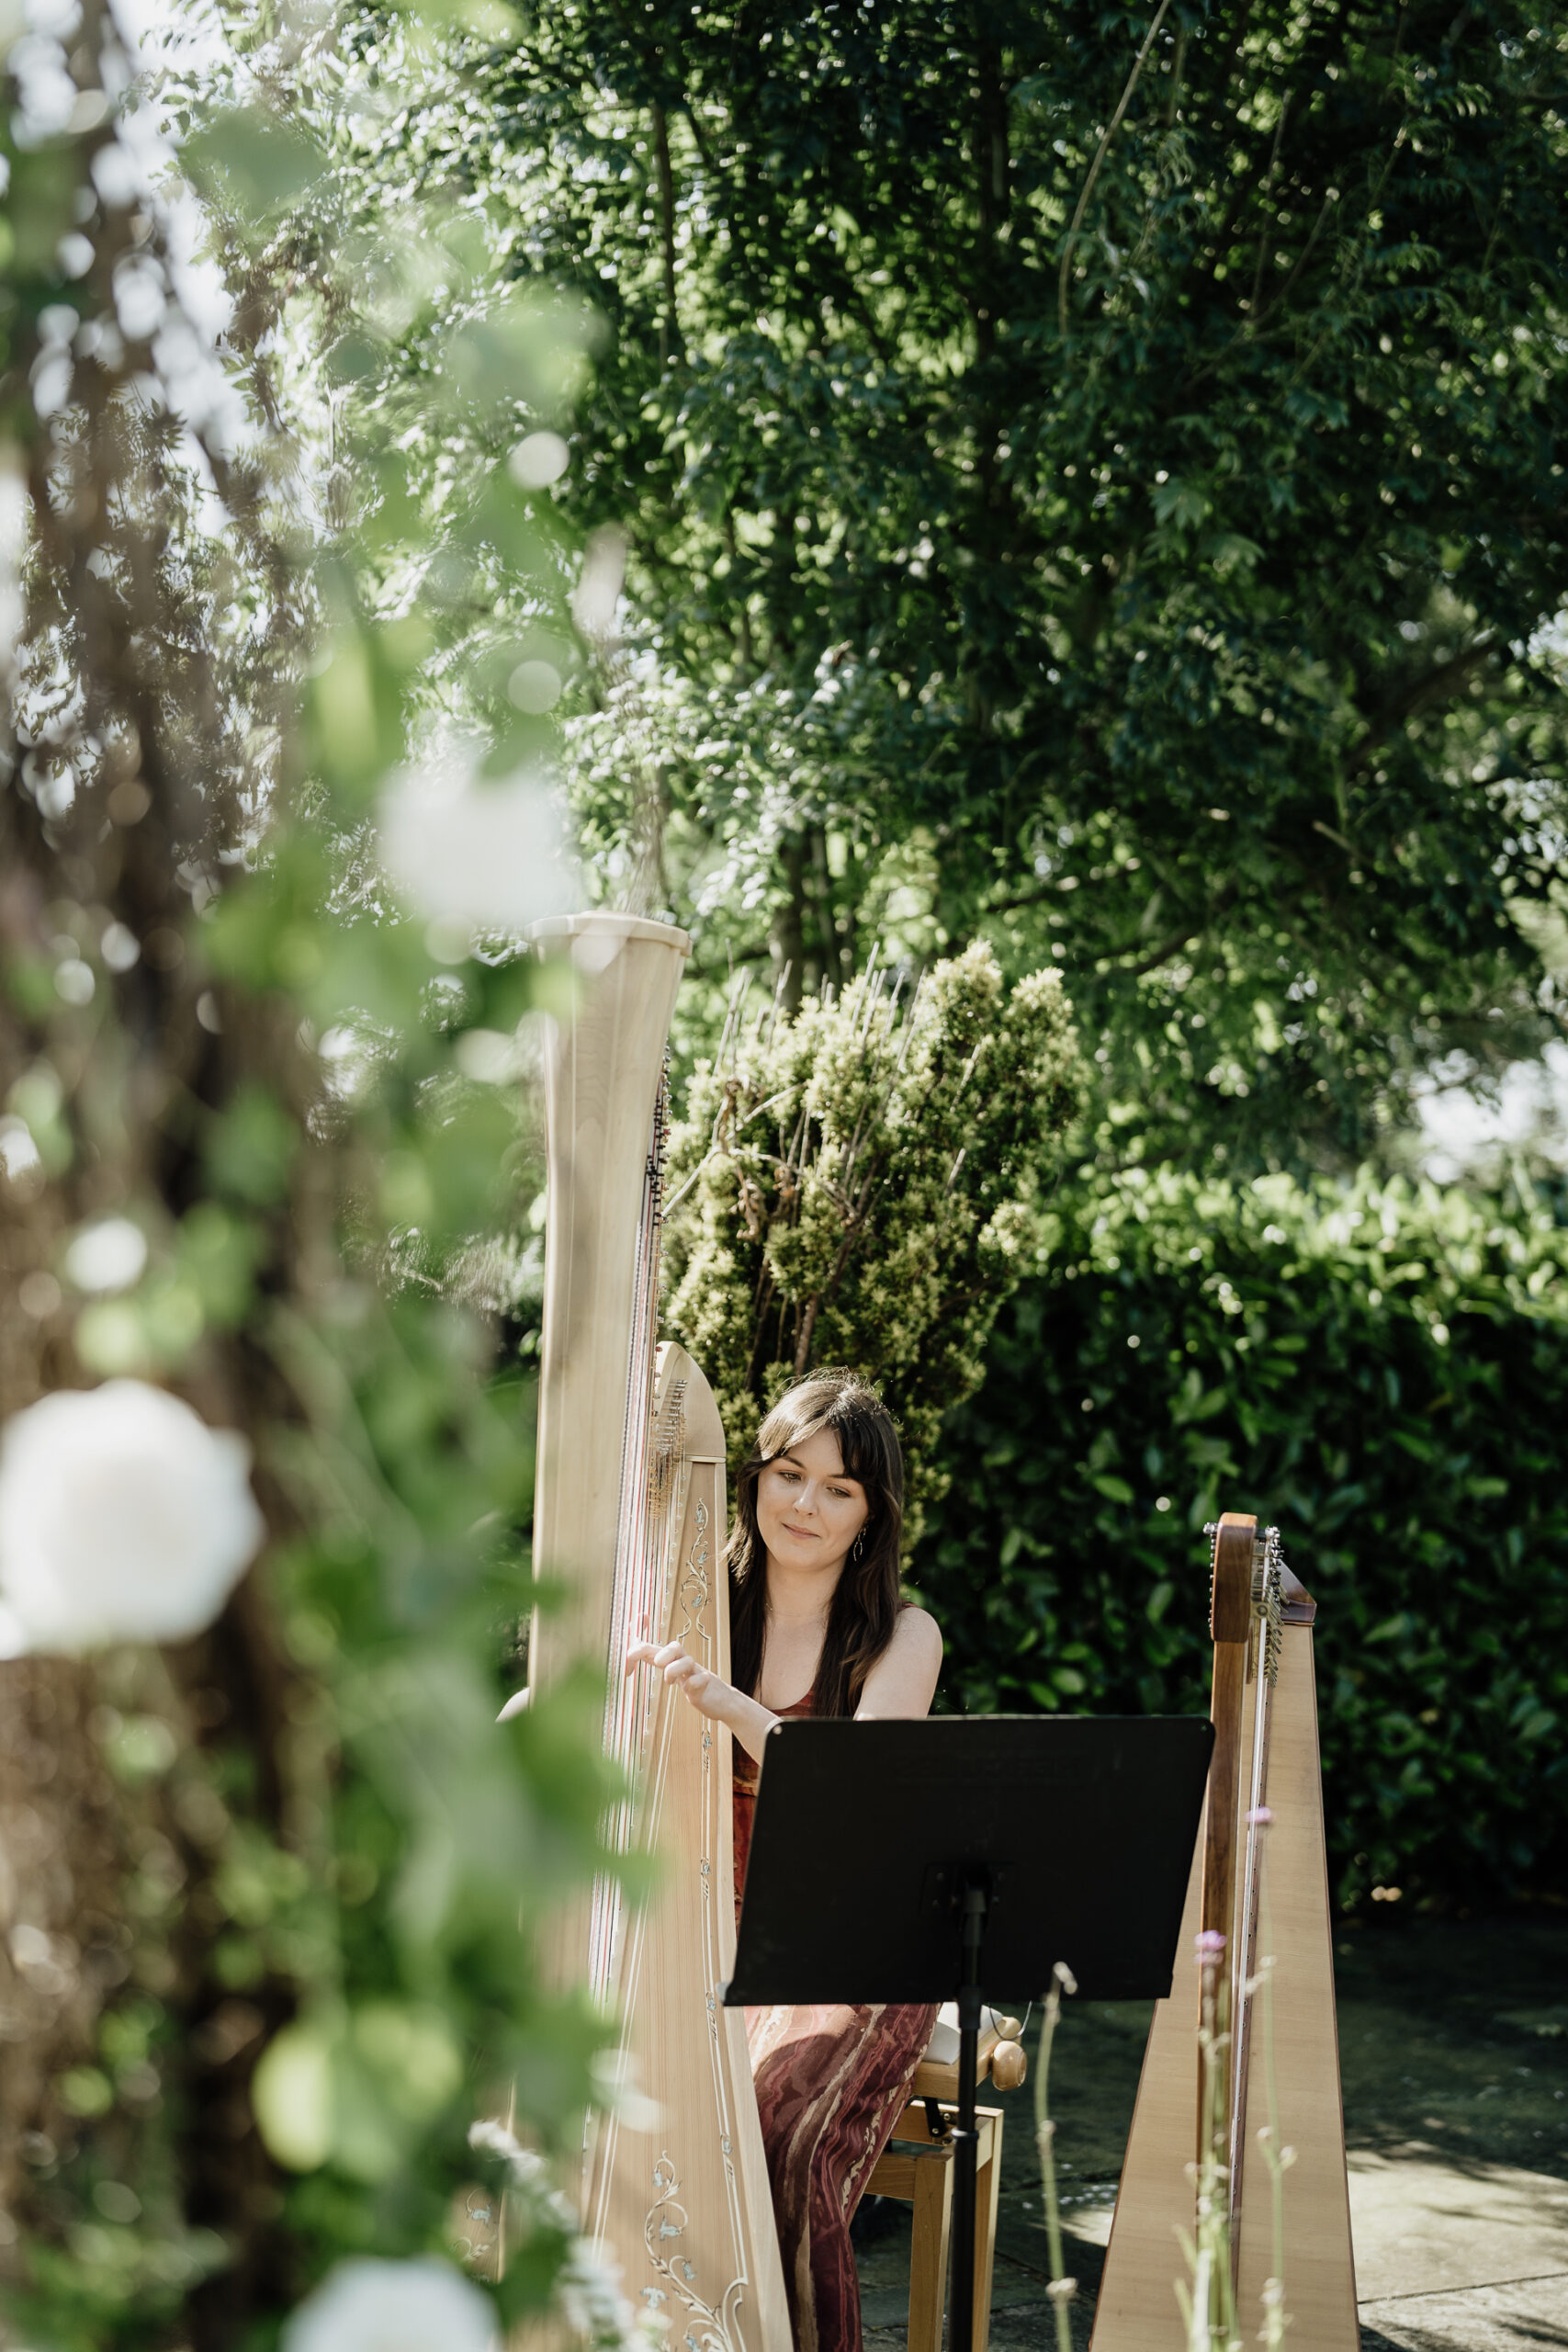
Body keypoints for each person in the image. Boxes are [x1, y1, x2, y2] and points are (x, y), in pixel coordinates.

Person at [626, 1369, 942, 2352]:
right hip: (711, 1928)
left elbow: (854, 1799)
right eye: (787, 1474)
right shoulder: (696, 1602)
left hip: (859, 1936)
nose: (804, 1504)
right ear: (753, 1477)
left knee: (780, 2132)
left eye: (838, 1488)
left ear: (870, 1514)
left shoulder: (900, 1635)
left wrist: (732, 1707)